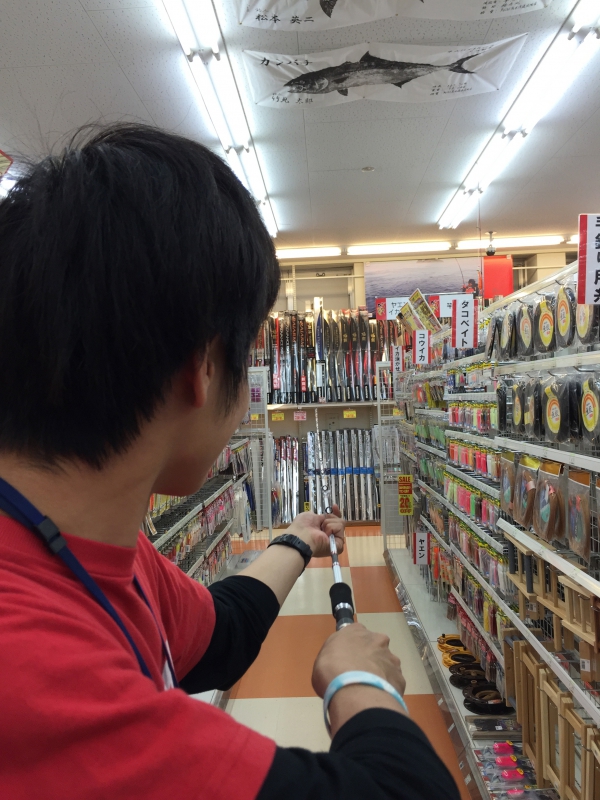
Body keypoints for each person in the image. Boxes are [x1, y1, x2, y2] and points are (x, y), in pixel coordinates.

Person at [0, 123, 461, 800]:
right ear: (204, 369)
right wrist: (361, 685)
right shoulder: (34, 677)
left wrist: (296, 540)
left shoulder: (82, 543)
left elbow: (219, 635)